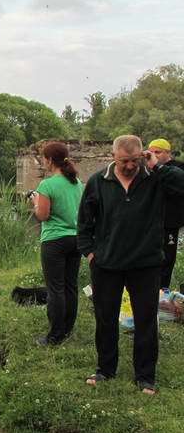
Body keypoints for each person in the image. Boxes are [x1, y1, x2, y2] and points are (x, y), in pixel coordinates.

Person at [78, 135, 184, 395]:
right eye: (124, 161)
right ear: (113, 156)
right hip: (107, 265)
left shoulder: (154, 178)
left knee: (146, 321)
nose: (129, 166)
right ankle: (105, 369)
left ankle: (145, 376)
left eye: (135, 160)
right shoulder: (98, 182)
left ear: (142, 156)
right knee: (105, 319)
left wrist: (156, 165)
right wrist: (90, 254)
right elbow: (84, 222)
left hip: (145, 264)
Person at [30, 141, 83, 345]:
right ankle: (68, 329)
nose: (43, 162)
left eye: (44, 158)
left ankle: (54, 336)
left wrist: (35, 202)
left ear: (50, 160)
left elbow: (42, 216)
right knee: (71, 286)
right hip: (76, 238)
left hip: (54, 240)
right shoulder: (76, 182)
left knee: (55, 289)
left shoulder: (47, 185)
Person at [146, 139, 184, 290]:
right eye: (152, 152)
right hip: (151, 222)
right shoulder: (148, 169)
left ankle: (163, 290)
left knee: (167, 258)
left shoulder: (177, 168)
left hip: (170, 222)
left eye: (158, 152)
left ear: (168, 153)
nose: (154, 155)